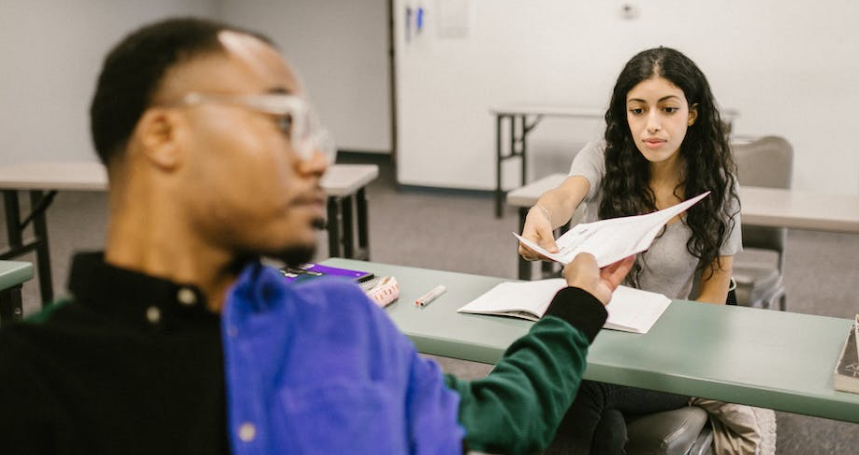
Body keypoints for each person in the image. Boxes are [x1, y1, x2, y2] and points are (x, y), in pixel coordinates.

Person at [0, 17, 636, 455]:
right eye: (281, 122)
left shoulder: (338, 319)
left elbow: (495, 424)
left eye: (315, 134)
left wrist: (576, 308)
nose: (313, 159)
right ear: (164, 138)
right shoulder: (33, 376)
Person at [518, 47, 742, 454]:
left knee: (574, 381)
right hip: (598, 338)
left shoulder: (718, 186)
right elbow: (567, 195)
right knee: (604, 426)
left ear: (692, 113)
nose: (651, 125)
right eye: (638, 111)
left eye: (668, 109)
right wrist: (542, 213)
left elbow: (712, 302)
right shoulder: (604, 157)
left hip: (669, 356)